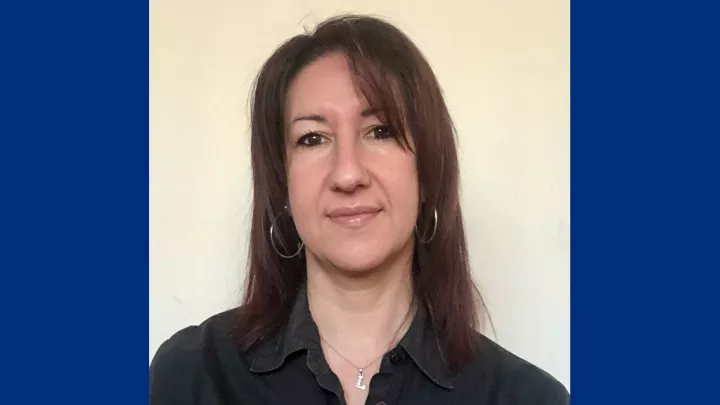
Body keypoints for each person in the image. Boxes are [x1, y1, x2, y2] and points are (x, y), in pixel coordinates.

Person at [149, 14, 569, 405]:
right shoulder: (194, 375)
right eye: (312, 139)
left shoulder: (526, 396)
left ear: (427, 173)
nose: (348, 174)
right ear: (282, 182)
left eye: (380, 131)